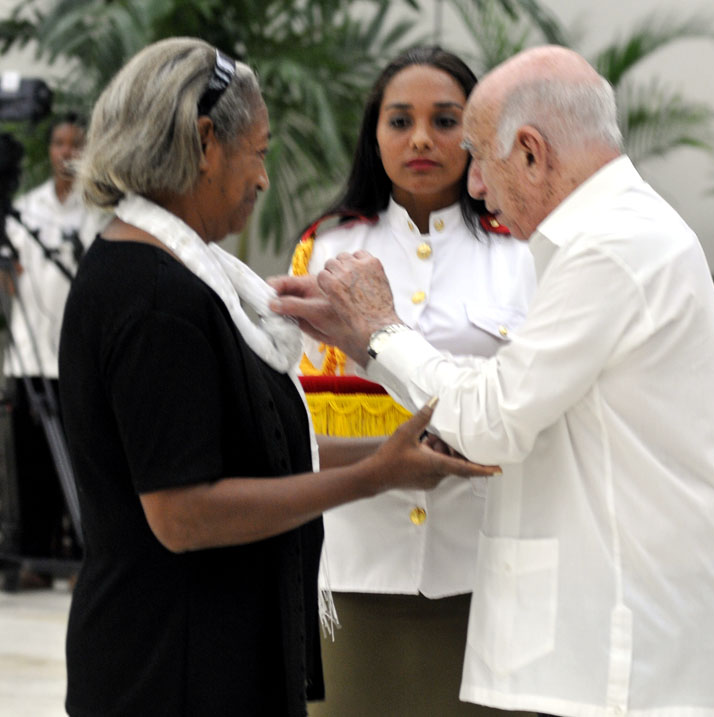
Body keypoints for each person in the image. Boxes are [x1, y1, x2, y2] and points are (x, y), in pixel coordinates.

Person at [270, 45, 714, 716]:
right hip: (583, 614)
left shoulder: (608, 248)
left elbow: (492, 419)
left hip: (629, 634)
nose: (475, 185)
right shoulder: (615, 233)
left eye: (475, 153)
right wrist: (362, 339)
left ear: (530, 151)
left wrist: (379, 331)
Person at [57, 37, 497, 717]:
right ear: (206, 142)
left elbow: (252, 448)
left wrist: (389, 456)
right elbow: (185, 514)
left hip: (206, 652)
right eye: (258, 153)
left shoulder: (183, 281)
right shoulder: (158, 300)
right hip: (171, 668)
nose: (264, 179)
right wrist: (373, 476)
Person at [291, 46, 535, 716]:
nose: (422, 138)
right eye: (400, 121)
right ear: (375, 136)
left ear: (479, 134)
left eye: (445, 120)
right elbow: (298, 414)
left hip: (489, 564)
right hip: (357, 564)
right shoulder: (327, 251)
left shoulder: (523, 254)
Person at [1, 113, 104, 588]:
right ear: (49, 150)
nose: (67, 152)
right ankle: (38, 561)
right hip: (29, 355)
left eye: (75, 144)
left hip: (75, 357)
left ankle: (82, 556)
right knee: (33, 461)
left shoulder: (97, 211)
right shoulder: (26, 208)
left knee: (80, 461)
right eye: (59, 143)